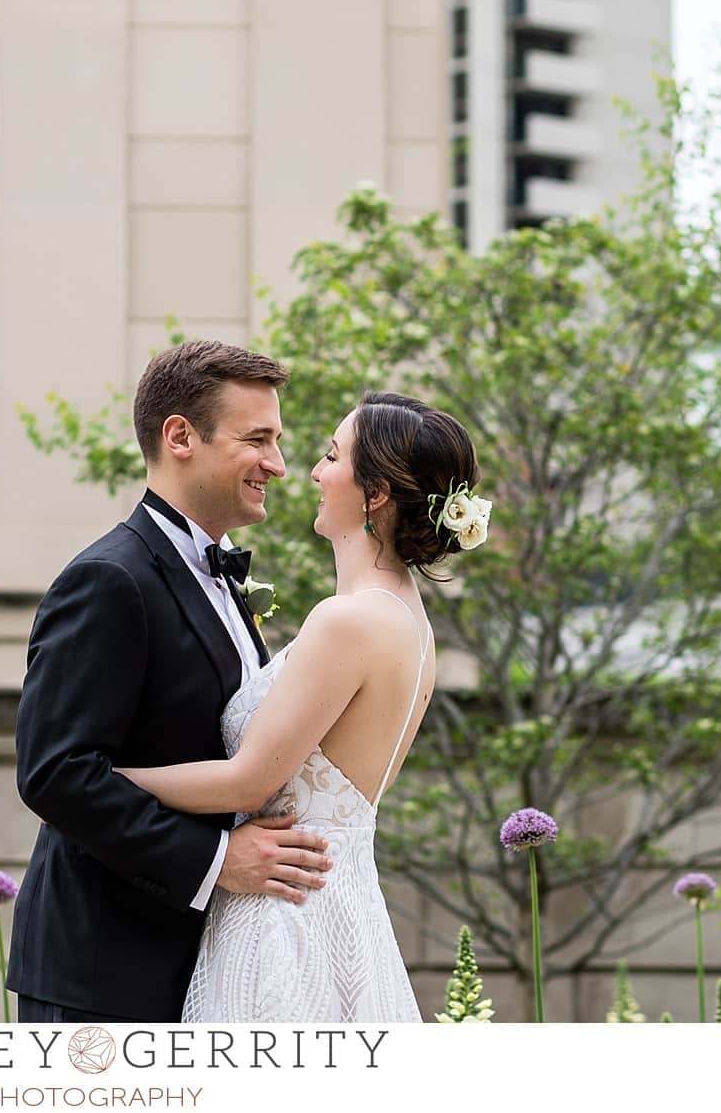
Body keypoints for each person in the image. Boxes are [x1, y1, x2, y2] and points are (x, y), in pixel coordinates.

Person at [120, 391, 486, 1022]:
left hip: (284, 913)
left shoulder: (347, 620)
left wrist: (103, 779)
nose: (311, 471)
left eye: (331, 455)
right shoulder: (411, 623)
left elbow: (250, 780)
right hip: (344, 903)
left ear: (374, 493)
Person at [8, 340, 335, 1023]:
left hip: (205, 962)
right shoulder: (109, 580)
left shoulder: (216, 574)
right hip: (105, 972)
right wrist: (217, 859)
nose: (277, 464)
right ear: (180, 436)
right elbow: (55, 772)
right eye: (258, 440)